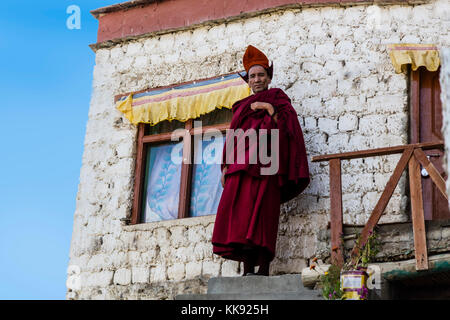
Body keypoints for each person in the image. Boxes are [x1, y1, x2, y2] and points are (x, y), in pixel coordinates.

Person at [211, 45, 310, 276]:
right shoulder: (241, 107)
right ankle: (247, 268)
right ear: (248, 80)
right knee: (242, 217)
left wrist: (268, 108)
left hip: (268, 167)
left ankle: (264, 268)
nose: (256, 80)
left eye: (261, 75)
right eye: (252, 76)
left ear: (268, 77)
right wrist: (225, 167)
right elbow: (233, 137)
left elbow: (288, 130)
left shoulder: (279, 100)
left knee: (264, 216)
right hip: (241, 169)